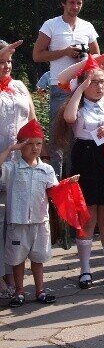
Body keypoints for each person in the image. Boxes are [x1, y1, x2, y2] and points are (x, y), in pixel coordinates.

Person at [55, 64, 104, 288]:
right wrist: (81, 88)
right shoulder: (79, 105)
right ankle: (85, 270)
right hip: (85, 159)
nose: (99, 86)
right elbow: (69, 117)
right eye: (94, 82)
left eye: (102, 82)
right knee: (88, 218)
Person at [0, 120, 79, 307]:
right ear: (21, 145)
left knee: (38, 258)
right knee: (17, 259)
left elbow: (55, 192)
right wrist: (11, 148)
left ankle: (40, 290)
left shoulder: (46, 169)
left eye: (38, 143)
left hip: (39, 221)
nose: (34, 148)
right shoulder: (12, 168)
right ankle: (19, 291)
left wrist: (68, 185)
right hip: (18, 222)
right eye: (29, 143)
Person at [32, 0, 100, 180]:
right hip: (59, 88)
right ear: (63, 3)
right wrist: (65, 52)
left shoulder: (87, 26)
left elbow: (97, 55)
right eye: (71, 2)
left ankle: (75, 186)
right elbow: (37, 55)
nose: (75, 6)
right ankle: (55, 186)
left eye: (79, 2)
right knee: (57, 140)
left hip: (82, 88)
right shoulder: (51, 25)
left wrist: (85, 55)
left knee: (78, 138)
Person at [0, 39, 37, 295]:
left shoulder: (20, 86)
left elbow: (32, 119)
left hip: (20, 162)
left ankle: (13, 274)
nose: (6, 66)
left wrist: (37, 154)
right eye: (1, 62)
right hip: (1, 158)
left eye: (9, 62)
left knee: (15, 220)